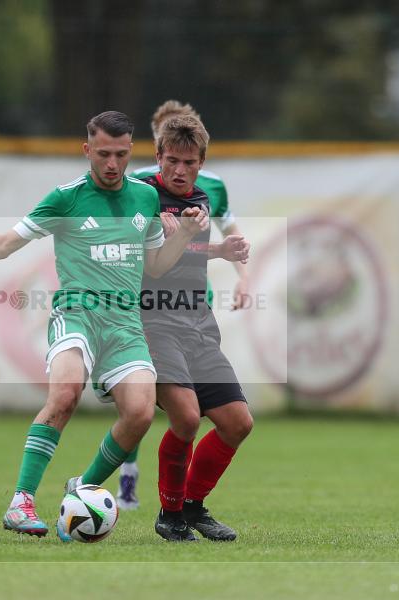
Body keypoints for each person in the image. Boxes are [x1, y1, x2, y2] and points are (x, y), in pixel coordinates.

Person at [0, 111, 210, 537]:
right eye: (103, 154)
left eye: (121, 155)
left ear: (131, 153)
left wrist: (182, 235)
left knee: (140, 414)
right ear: (87, 150)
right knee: (65, 395)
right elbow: (8, 242)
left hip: (125, 324)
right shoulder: (66, 198)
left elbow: (156, 266)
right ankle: (21, 502)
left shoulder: (145, 198)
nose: (112, 164)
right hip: (78, 313)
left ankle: (82, 488)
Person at [118, 100, 251, 511]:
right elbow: (150, 265)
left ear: (201, 163)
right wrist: (175, 235)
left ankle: (192, 506)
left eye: (188, 162)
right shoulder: (140, 196)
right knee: (187, 419)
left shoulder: (201, 201)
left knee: (237, 422)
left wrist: (219, 249)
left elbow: (186, 251)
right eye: (171, 160)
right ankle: (168, 511)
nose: (179, 170)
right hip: (153, 327)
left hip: (197, 325)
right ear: (157, 156)